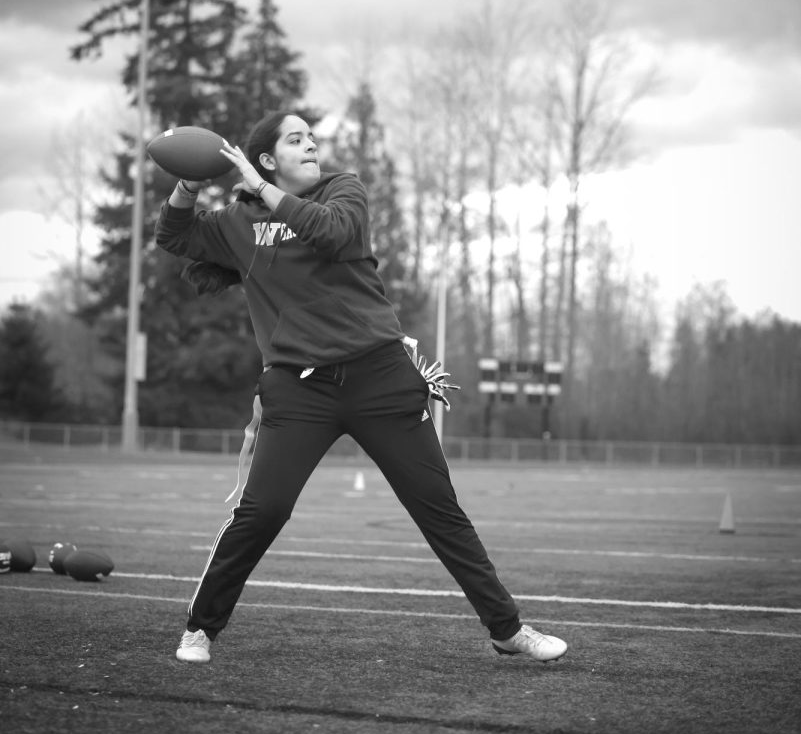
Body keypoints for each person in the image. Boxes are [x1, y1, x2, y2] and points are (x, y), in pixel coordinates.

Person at [154, 110, 567, 666]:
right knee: (263, 510)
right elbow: (173, 236)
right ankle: (200, 629)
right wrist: (187, 182)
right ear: (270, 158)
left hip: (380, 378)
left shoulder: (343, 190)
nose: (311, 144)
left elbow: (335, 233)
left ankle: (507, 628)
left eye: (311, 136)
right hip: (298, 391)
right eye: (295, 139)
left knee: (438, 509)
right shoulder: (238, 220)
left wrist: (259, 188)